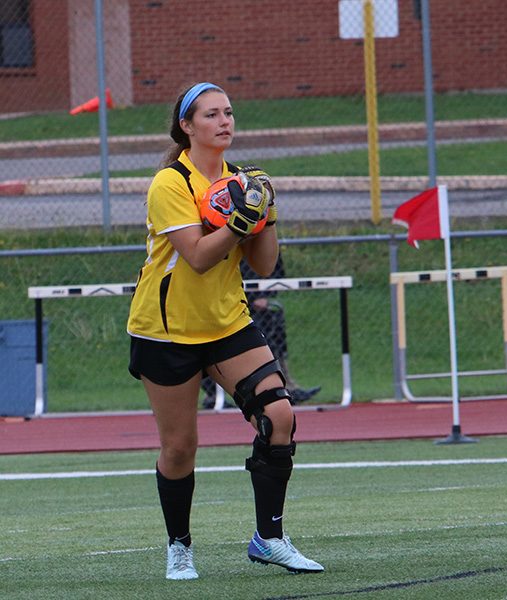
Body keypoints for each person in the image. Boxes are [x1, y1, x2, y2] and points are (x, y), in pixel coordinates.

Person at [126, 82, 324, 580]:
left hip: (227, 323)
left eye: (229, 112)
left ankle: (270, 539)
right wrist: (239, 221)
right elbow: (195, 257)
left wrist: (267, 213)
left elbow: (264, 263)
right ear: (187, 127)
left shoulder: (243, 180)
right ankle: (179, 546)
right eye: (211, 114)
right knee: (180, 447)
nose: (224, 121)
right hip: (165, 330)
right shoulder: (170, 183)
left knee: (279, 416)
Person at [201, 254, 321, 408]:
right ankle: (213, 395)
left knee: (275, 329)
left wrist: (266, 294)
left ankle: (287, 384)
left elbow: (275, 268)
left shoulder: (264, 238)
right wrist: (253, 296)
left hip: (255, 303)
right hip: (233, 305)